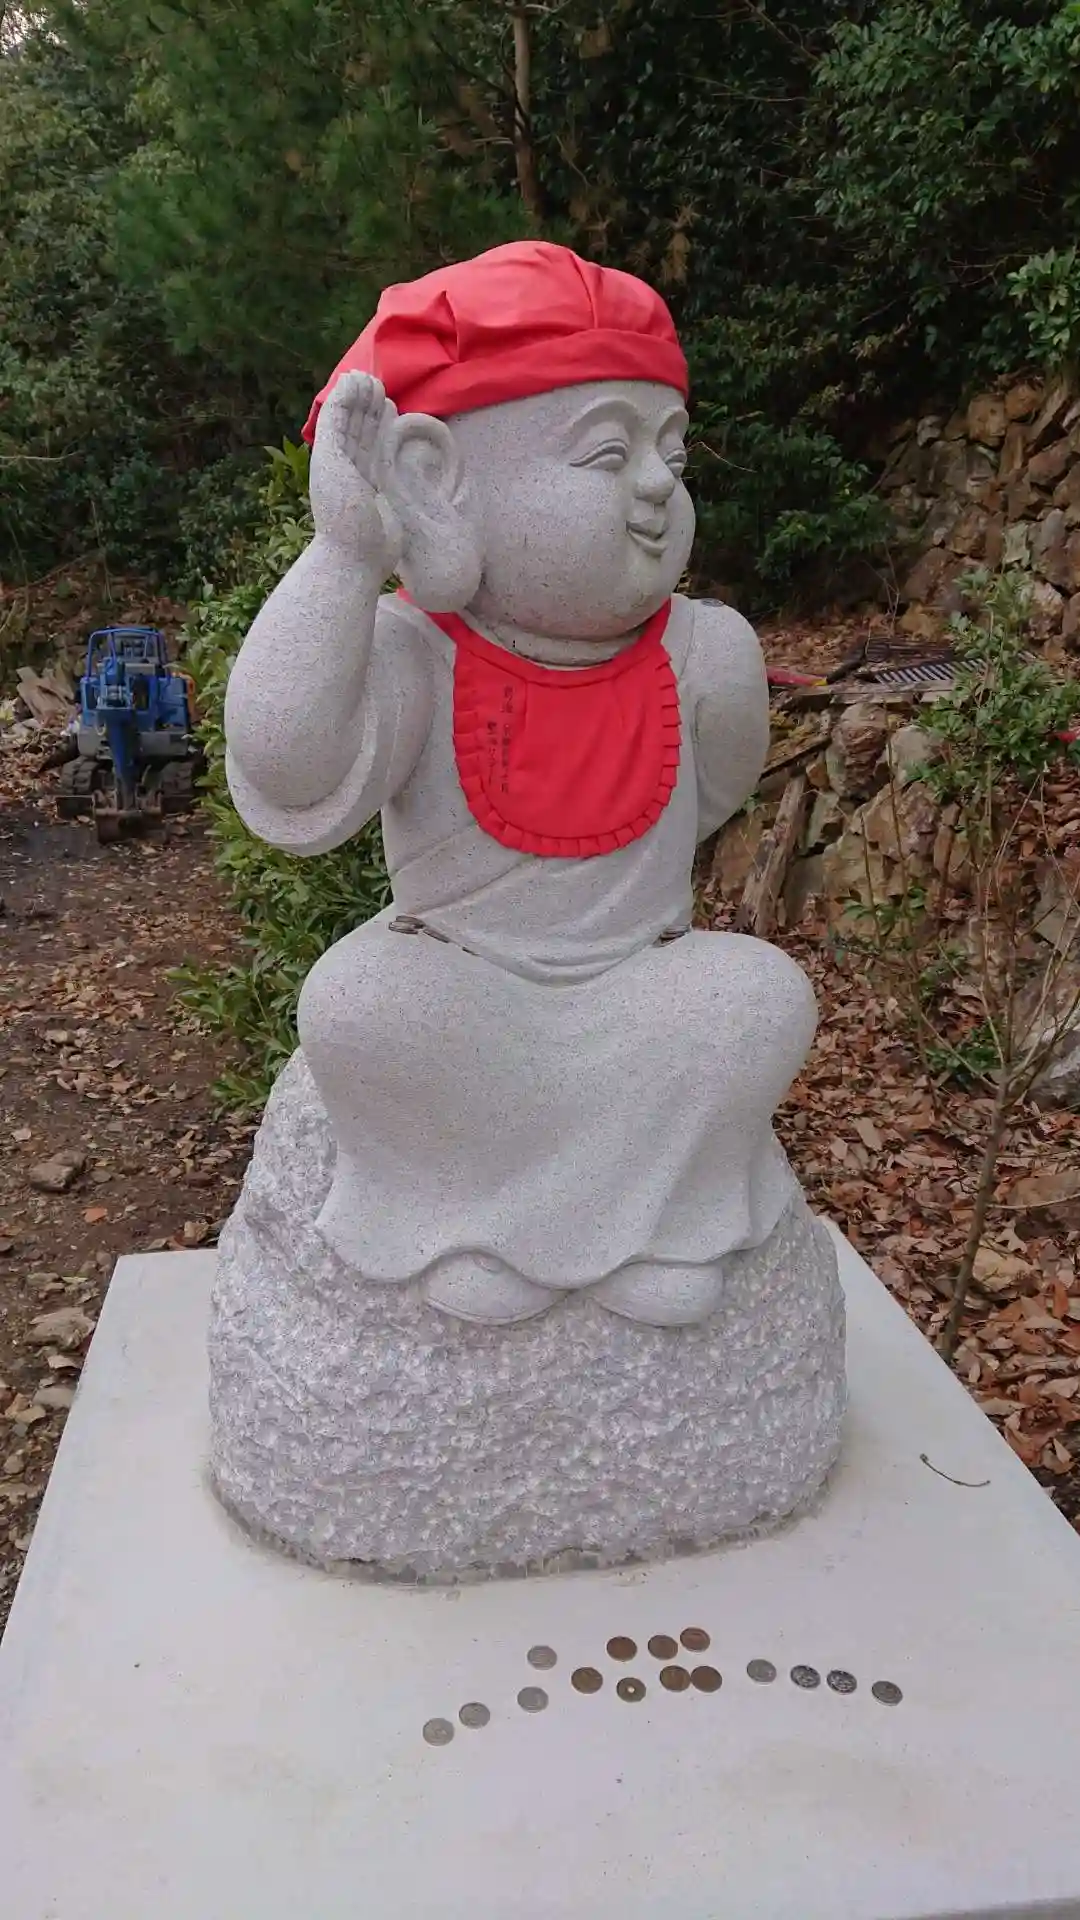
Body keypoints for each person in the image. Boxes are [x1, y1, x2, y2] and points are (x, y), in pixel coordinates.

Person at [223, 239, 818, 1328]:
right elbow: (285, 764)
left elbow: (714, 797)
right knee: (357, 1004)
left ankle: (636, 1226)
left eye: (671, 453)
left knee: (757, 997)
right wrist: (346, 558)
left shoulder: (706, 654)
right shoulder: (417, 650)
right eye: (608, 454)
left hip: (637, 985)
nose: (657, 485)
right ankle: (481, 1221)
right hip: (468, 985)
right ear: (437, 482)